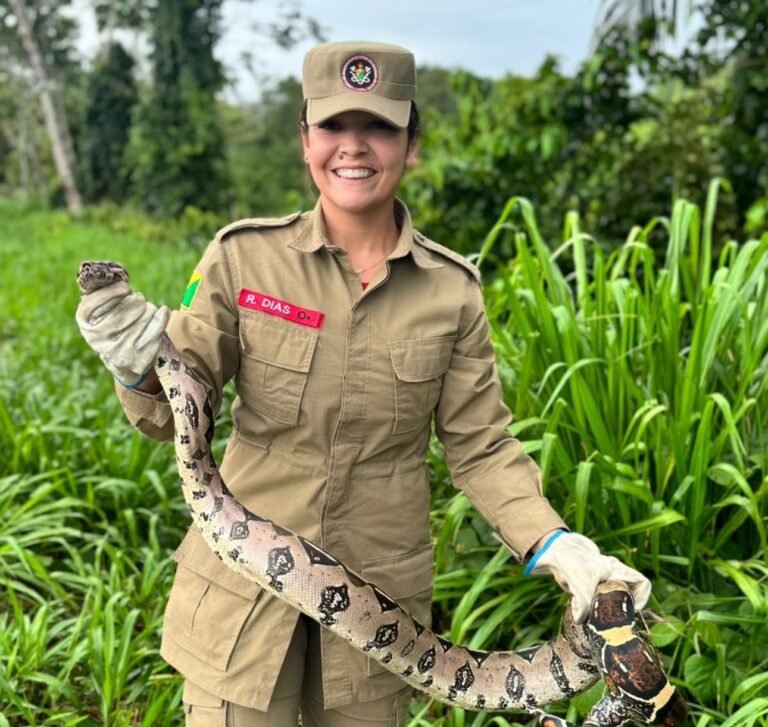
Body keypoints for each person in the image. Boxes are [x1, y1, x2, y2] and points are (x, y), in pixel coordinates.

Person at [76, 40, 651, 727]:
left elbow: (482, 447)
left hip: (383, 609)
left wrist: (560, 546)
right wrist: (134, 360)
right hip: (240, 598)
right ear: (305, 139)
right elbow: (177, 409)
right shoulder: (241, 257)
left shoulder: (452, 291)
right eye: (334, 126)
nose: (355, 147)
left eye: (379, 126)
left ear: (411, 142)